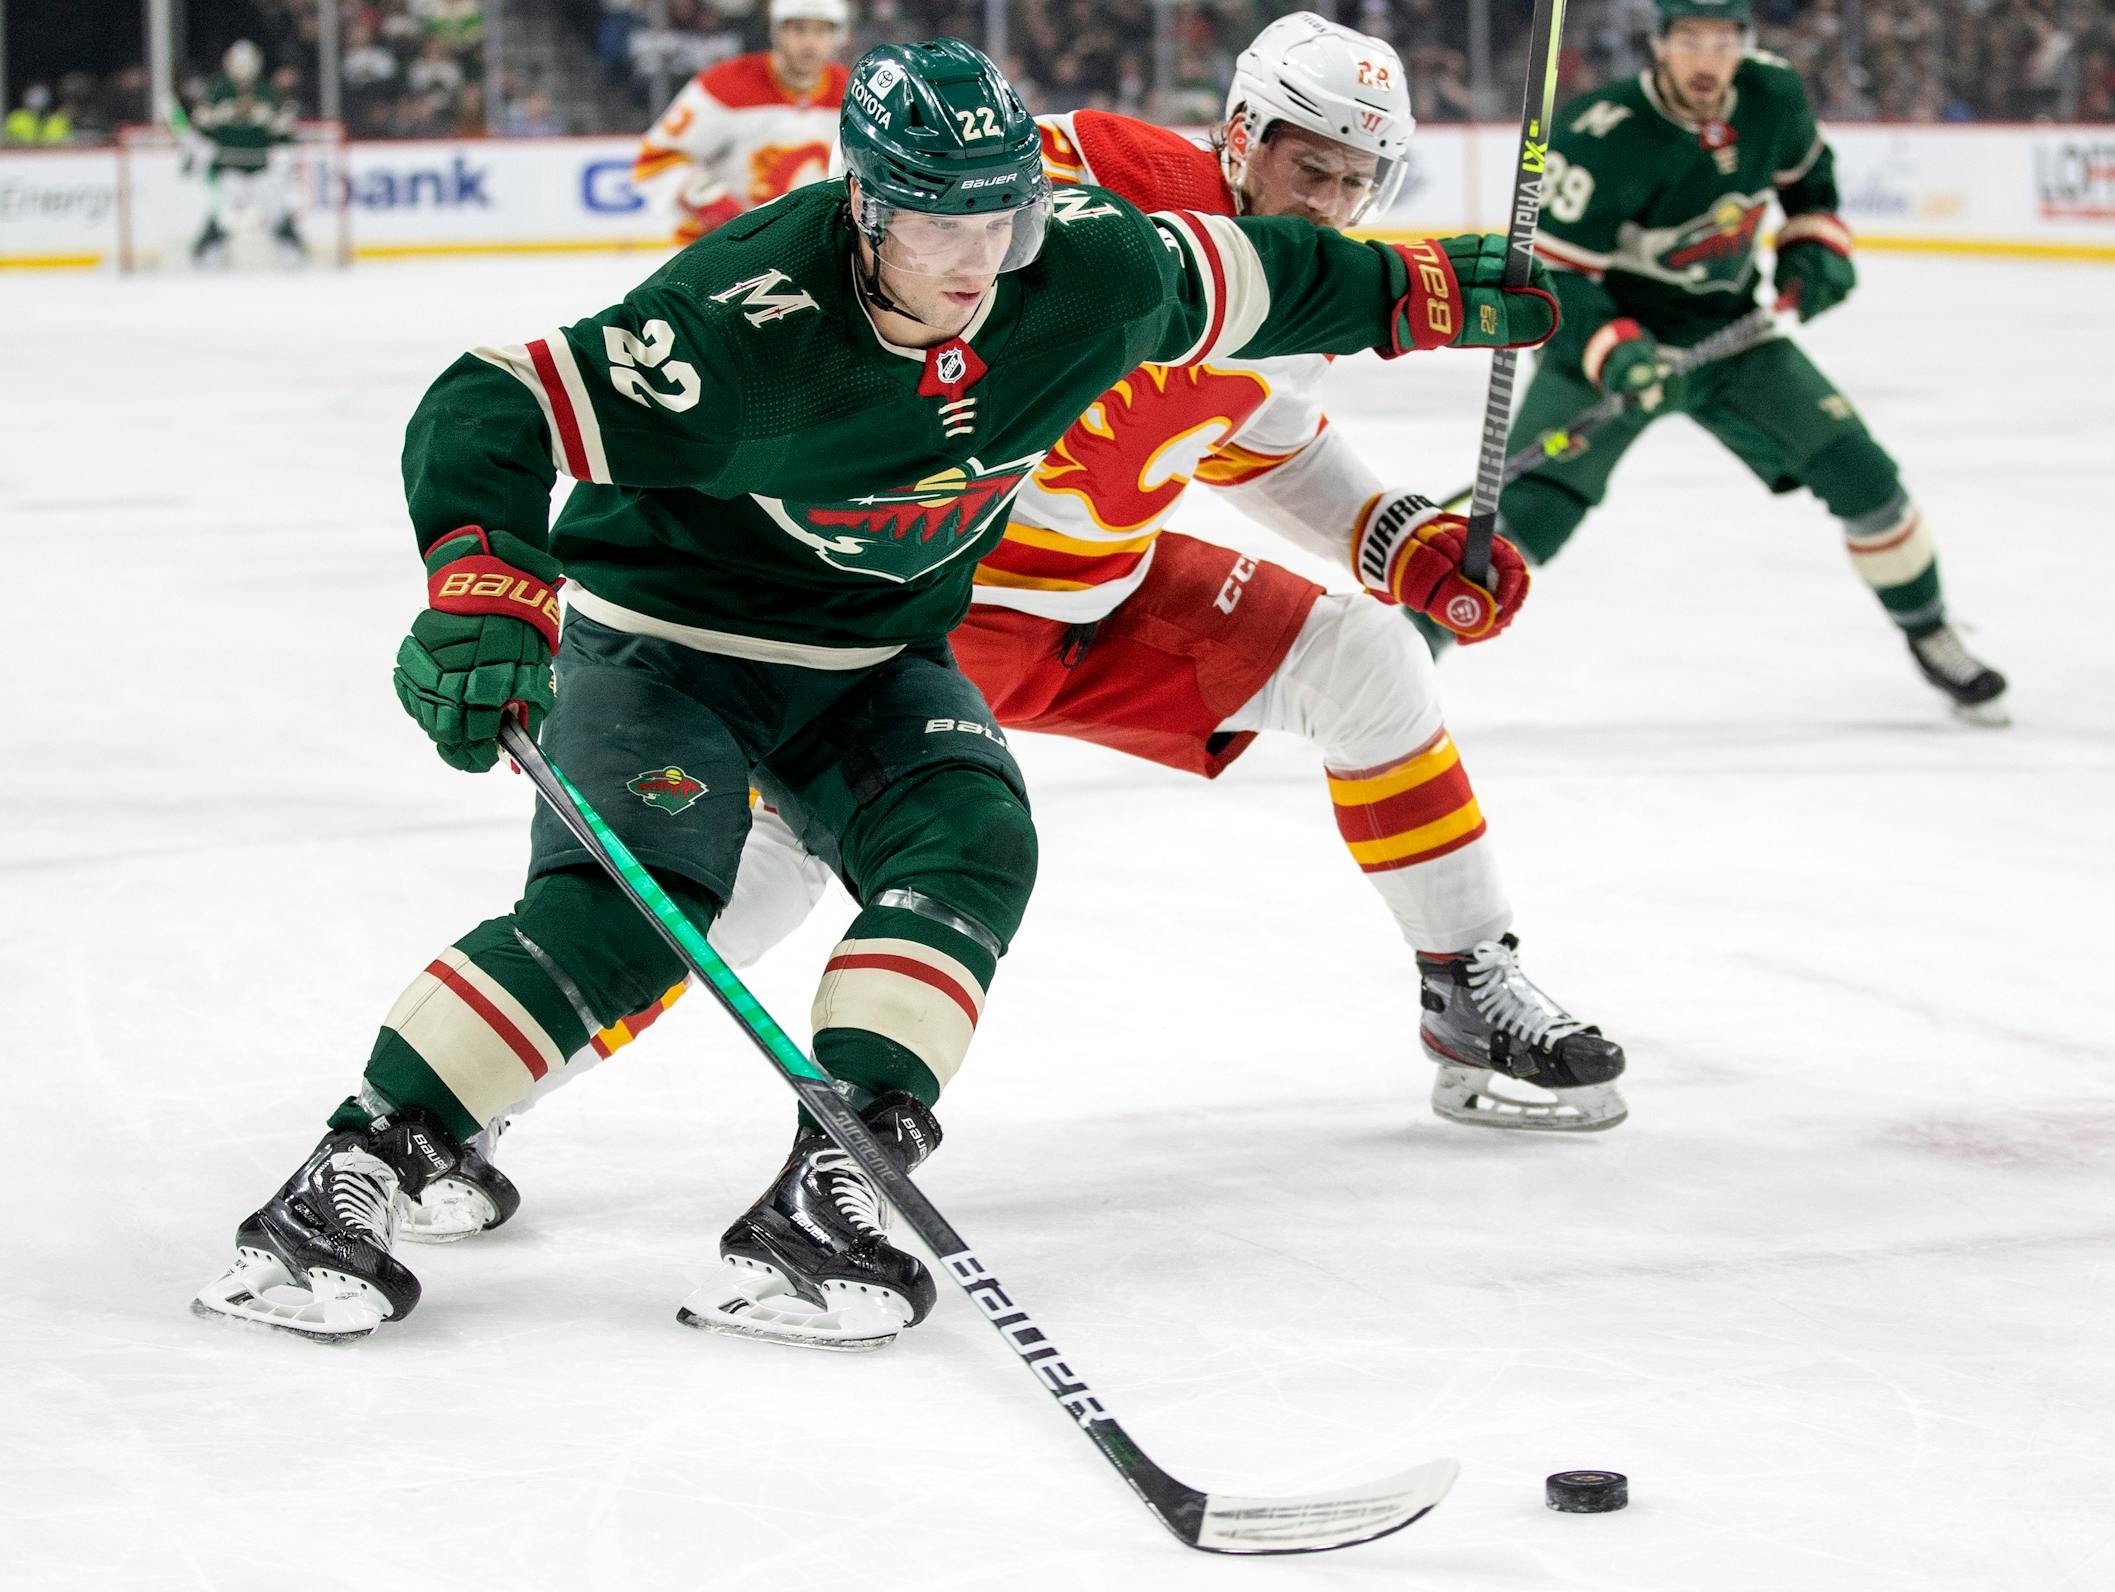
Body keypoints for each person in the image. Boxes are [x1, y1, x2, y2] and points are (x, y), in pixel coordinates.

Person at [193, 38, 1561, 1347]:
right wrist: (484, 581)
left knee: (974, 841)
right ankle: (355, 1167)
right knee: (644, 904)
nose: (973, 266)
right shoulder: (746, 326)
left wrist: (1423, 293)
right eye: (933, 226)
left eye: (1002, 226)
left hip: (880, 649)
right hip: (674, 641)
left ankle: (832, 1180)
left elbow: (1258, 280)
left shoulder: (1084, 272)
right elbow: (488, 404)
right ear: (862, 203)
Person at [1497, 0, 2009, 722]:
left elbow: (1810, 183)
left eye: (1723, 40)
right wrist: (1615, 351)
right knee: (1517, 526)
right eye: (1689, 41)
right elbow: (1552, 282)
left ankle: (1931, 633)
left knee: (1868, 483)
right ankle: (1401, 660)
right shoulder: (1599, 134)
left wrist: (1813, 245)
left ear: (1745, 44)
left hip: (1732, 340)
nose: (1706, 59)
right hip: (1616, 347)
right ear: (1660, 46)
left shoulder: (1773, 95)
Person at [631, 0, 850, 247]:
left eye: (821, 31)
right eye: (798, 29)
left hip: (805, 251)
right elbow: (656, 159)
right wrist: (713, 203)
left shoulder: (852, 93)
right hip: (720, 251)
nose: (810, 43)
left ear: (838, 35)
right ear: (776, 31)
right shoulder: (724, 86)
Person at [179, 40, 306, 265]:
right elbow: (203, 128)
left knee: (275, 210)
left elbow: (282, 133)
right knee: (224, 215)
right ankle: (207, 252)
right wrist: (213, 121)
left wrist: (276, 127)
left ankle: (291, 251)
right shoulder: (219, 90)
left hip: (260, 165)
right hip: (228, 165)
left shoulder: (267, 91)